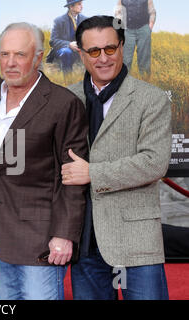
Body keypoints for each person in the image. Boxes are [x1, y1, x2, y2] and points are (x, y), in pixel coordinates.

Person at [61, 15, 171, 300]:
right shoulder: (67, 99)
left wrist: (93, 173)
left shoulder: (152, 98)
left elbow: (154, 162)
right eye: (94, 51)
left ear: (122, 47)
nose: (103, 58)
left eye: (110, 48)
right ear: (82, 54)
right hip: (85, 240)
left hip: (136, 241)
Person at [0, 22, 88, 300]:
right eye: (4, 55)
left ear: (38, 58)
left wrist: (64, 235)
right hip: (1, 235)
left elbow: (73, 178)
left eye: (20, 55)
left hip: (42, 238)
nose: (10, 63)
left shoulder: (63, 104)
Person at [115, 0, 156, 77]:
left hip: (143, 29)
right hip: (127, 30)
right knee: (125, 60)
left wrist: (149, 27)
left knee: (144, 59)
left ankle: (145, 82)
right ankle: (124, 84)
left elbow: (152, 11)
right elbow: (118, 13)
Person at [46, 0, 87, 74]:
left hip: (80, 49)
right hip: (64, 49)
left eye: (81, 4)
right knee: (66, 52)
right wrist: (69, 44)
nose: (82, 6)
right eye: (79, 4)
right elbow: (53, 41)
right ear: (71, 7)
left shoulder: (86, 20)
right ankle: (68, 77)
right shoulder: (59, 21)